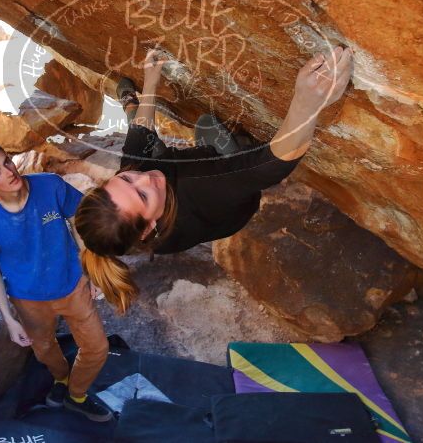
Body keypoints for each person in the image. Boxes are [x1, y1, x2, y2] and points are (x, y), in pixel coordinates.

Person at [75, 47, 354, 312]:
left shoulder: (134, 207)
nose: (147, 178)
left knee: (145, 145)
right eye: (142, 196)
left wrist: (151, 79)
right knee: (208, 126)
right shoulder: (200, 186)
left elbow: (140, 133)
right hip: (232, 204)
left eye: (126, 179)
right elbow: (270, 166)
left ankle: (129, 103)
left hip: (198, 205)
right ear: (148, 228)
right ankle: (228, 148)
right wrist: (308, 103)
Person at [0, 142, 112, 422]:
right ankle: (61, 380)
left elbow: (78, 221)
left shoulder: (50, 186)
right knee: (44, 348)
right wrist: (8, 318)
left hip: (71, 284)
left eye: (7, 162)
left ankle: (76, 394)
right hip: (28, 299)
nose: (9, 172)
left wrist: (91, 270)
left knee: (97, 348)